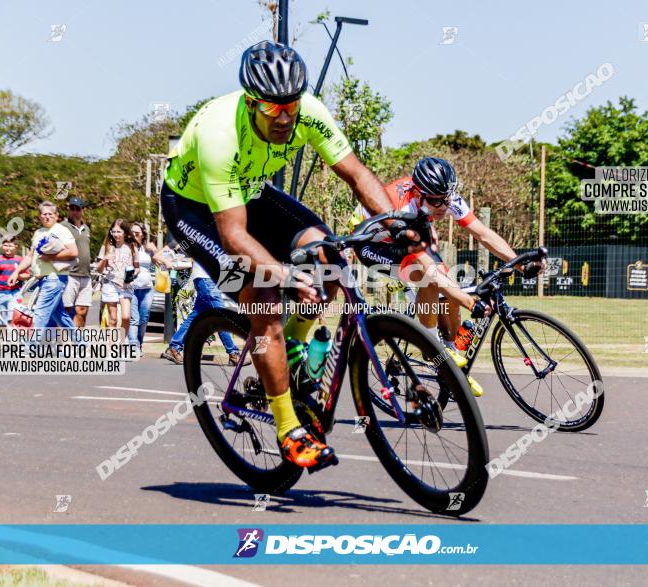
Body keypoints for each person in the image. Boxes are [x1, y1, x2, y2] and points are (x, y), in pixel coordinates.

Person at [160, 41, 424, 470]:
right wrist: (282, 274)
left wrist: (396, 222)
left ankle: (297, 349)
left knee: (328, 257)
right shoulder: (218, 135)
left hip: (252, 193)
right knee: (263, 297)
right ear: (250, 103)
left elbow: (356, 174)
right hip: (193, 214)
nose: (284, 118)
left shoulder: (311, 112)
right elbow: (232, 236)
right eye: (271, 109)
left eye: (290, 106)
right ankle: (289, 429)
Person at [348, 157, 517, 394]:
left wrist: (518, 262)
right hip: (372, 244)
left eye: (446, 199)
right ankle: (433, 347)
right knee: (431, 277)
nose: (443, 206)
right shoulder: (401, 207)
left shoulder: (445, 197)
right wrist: (470, 302)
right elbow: (426, 266)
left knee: (447, 283)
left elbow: (483, 233)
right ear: (418, 194)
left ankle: (450, 361)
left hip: (407, 236)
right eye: (437, 201)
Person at [160, 260, 246, 366]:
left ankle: (174, 347)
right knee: (221, 317)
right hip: (207, 278)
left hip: (206, 278)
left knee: (195, 316)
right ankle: (233, 354)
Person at [8, 201, 78, 329]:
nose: (47, 217)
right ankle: (82, 344)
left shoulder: (61, 230)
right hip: (41, 278)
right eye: (44, 214)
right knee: (60, 315)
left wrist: (51, 257)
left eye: (50, 214)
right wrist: (16, 272)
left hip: (55, 278)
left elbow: (73, 251)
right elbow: (30, 256)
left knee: (40, 313)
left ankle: (32, 346)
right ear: (40, 216)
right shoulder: (38, 233)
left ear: (56, 216)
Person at [128, 221, 167, 347]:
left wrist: (155, 250)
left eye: (137, 233)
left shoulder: (148, 249)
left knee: (144, 318)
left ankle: (139, 343)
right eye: (132, 232)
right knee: (134, 319)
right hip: (131, 287)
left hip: (147, 289)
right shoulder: (127, 247)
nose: (134, 235)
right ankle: (133, 345)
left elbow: (162, 262)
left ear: (142, 235)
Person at [95, 219, 139, 334]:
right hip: (110, 284)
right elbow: (99, 269)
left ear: (125, 232)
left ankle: (122, 342)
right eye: (113, 232)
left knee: (126, 317)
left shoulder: (132, 247)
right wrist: (105, 258)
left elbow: (137, 267)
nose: (116, 234)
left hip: (126, 285)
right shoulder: (107, 247)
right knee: (113, 319)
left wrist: (133, 274)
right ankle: (113, 348)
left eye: (119, 232)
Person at [60, 197, 93, 327]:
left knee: (82, 310)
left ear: (82, 211)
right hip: (69, 274)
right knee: (66, 310)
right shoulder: (62, 227)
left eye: (77, 209)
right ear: (68, 210)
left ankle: (78, 343)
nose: (74, 212)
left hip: (85, 275)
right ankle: (63, 343)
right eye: (72, 209)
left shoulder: (86, 228)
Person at [0, 237, 28, 326]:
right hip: (0, 293)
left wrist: (17, 276)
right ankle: (4, 339)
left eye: (10, 246)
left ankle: (13, 338)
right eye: (5, 245)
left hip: (15, 292)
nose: (8, 248)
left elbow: (27, 275)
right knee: (2, 320)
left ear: (16, 246)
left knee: (13, 317)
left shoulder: (20, 260)